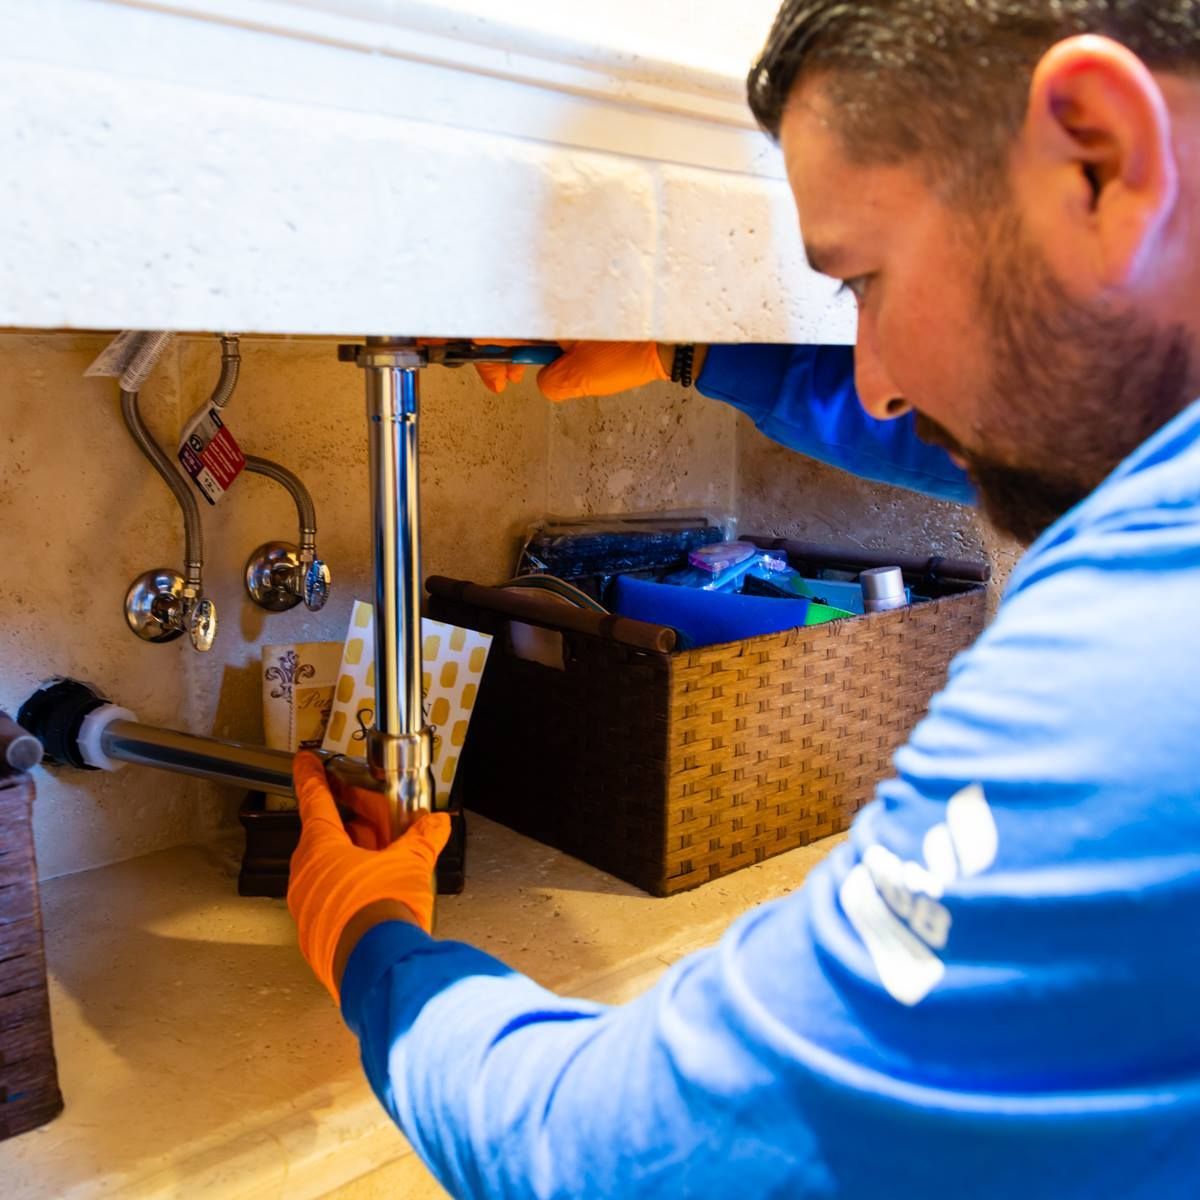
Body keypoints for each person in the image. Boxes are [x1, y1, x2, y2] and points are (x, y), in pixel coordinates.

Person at [287, 3, 1200, 1195]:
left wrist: (371, 942)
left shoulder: (1136, 666)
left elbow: (624, 1160)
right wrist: (692, 355)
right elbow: (1010, 435)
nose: (871, 379)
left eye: (864, 280)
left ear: (1097, 150)